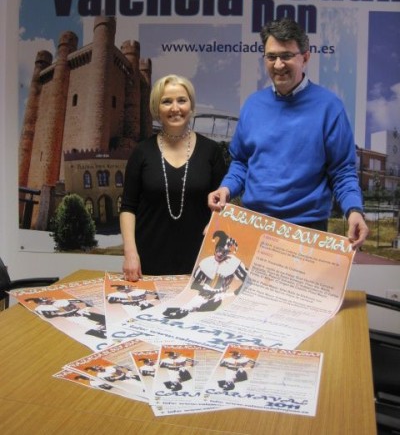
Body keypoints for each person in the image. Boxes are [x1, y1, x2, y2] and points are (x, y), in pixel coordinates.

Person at [208, 18, 369, 249]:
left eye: (286, 56)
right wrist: (226, 188)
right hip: (254, 226)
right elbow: (241, 163)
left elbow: (342, 172)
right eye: (271, 57)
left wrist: (354, 210)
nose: (278, 64)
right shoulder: (253, 105)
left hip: (307, 231)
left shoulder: (330, 107)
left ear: (305, 57)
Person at [120, 74, 227, 281]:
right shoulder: (141, 152)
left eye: (181, 100)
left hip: (202, 261)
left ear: (191, 105)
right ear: (156, 108)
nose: (175, 108)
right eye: (166, 101)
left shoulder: (211, 151)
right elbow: (128, 208)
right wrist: (130, 253)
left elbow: (223, 206)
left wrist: (216, 225)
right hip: (147, 261)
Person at [162, 230, 247, 319]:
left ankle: (179, 311)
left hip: (219, 298)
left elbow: (246, 281)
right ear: (215, 248)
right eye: (219, 250)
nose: (220, 254)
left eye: (224, 252)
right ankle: (179, 311)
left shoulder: (233, 263)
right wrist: (205, 290)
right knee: (193, 306)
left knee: (204, 308)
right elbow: (194, 285)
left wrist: (231, 294)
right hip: (203, 295)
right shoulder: (206, 263)